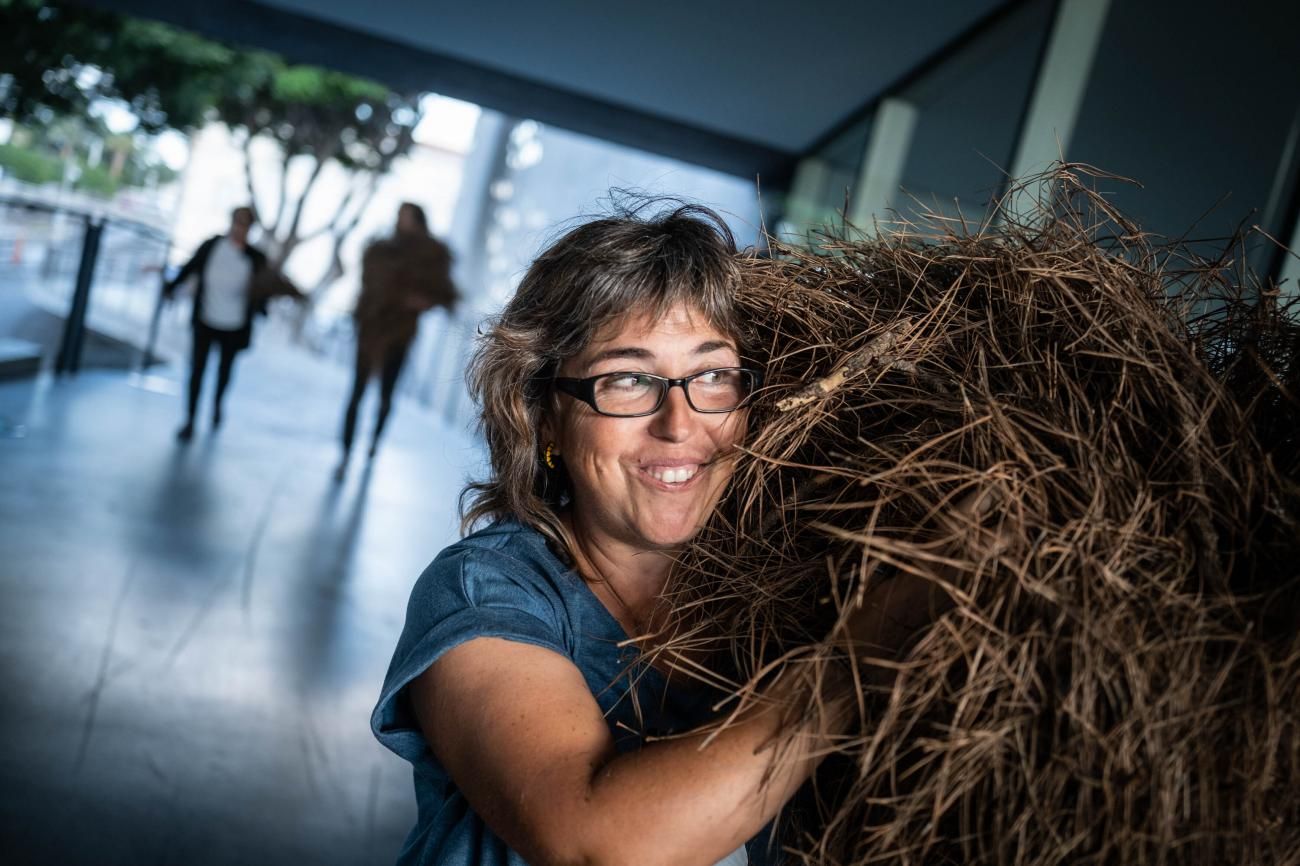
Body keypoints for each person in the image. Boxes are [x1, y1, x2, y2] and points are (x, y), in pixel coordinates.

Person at [370, 204, 942, 866]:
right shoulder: (483, 592)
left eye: (712, 376)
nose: (679, 423)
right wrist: (849, 664)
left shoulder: (787, 601)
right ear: (544, 418)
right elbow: (596, 844)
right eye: (628, 379)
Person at [336, 202, 457, 477]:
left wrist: (420, 302)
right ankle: (345, 452)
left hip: (399, 333)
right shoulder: (381, 250)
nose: (400, 220)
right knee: (357, 392)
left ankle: (372, 446)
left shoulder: (430, 255)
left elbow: (443, 293)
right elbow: (368, 284)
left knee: (385, 395)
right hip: (370, 329)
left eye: (405, 216)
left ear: (418, 220)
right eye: (398, 215)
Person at [164, 206, 268, 442]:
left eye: (245, 224)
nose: (239, 228)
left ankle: (217, 406)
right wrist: (171, 287)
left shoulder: (255, 258)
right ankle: (190, 419)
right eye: (237, 222)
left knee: (224, 372)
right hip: (205, 319)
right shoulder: (212, 246)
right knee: (197, 371)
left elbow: (263, 288)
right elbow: (190, 267)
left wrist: (262, 308)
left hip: (234, 325)